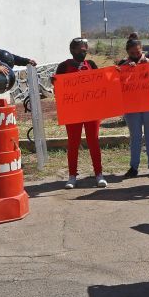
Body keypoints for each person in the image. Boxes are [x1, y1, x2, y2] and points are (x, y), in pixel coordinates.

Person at [55, 37, 106, 188]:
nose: (84, 51)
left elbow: (102, 81)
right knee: (73, 143)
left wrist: (113, 73)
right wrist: (55, 82)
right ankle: (72, 176)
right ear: (72, 50)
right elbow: (58, 86)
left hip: (91, 110)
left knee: (93, 142)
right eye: (81, 49)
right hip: (73, 112)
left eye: (85, 49)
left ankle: (99, 174)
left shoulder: (91, 64)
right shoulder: (63, 66)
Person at [117, 34, 149, 179]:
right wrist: (124, 70)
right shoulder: (122, 65)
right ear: (127, 53)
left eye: (138, 52)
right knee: (135, 137)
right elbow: (116, 83)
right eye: (132, 53)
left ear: (142, 49)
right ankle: (134, 167)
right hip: (132, 106)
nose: (136, 55)